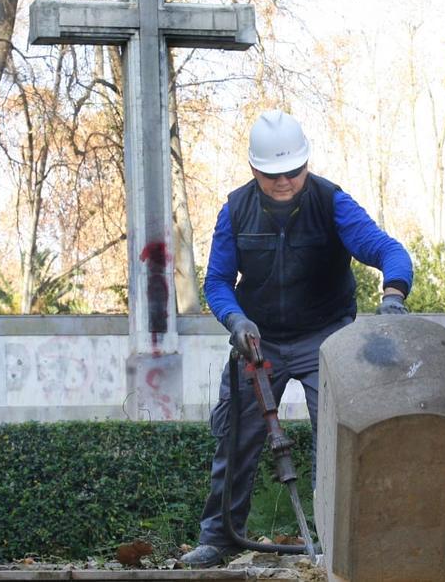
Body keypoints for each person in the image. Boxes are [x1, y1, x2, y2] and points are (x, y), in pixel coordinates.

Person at [180, 110, 414, 567]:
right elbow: (218, 282)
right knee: (236, 437)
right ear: (254, 170)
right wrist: (236, 320)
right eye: (272, 174)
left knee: (341, 438)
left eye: (293, 171)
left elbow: (387, 249)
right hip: (258, 339)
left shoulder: (331, 202)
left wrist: (393, 293)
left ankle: (345, 541)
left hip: (325, 336)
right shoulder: (235, 209)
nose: (284, 181)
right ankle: (220, 537)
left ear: (307, 165)